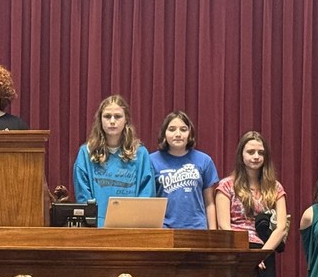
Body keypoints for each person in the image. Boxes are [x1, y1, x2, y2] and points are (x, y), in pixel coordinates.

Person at [215, 131, 288, 277]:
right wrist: (246, 256)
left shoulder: (275, 187)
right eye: (251, 152)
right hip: (238, 252)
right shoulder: (226, 186)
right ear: (241, 155)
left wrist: (263, 255)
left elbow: (281, 227)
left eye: (260, 153)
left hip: (265, 252)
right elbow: (224, 225)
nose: (255, 156)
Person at [73, 95, 156, 227]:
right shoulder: (86, 153)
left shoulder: (140, 153)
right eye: (107, 116)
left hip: (131, 227)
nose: (112, 121)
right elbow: (83, 195)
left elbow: (146, 194)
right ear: (100, 120)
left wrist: (136, 223)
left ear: (126, 120)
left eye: (117, 116)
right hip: (96, 227)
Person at [149, 111, 218, 230]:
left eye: (183, 129)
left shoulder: (204, 161)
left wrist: (212, 232)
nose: (178, 134)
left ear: (190, 133)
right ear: (164, 133)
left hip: (197, 229)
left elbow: (209, 203)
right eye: (172, 129)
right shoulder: (151, 161)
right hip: (163, 229)